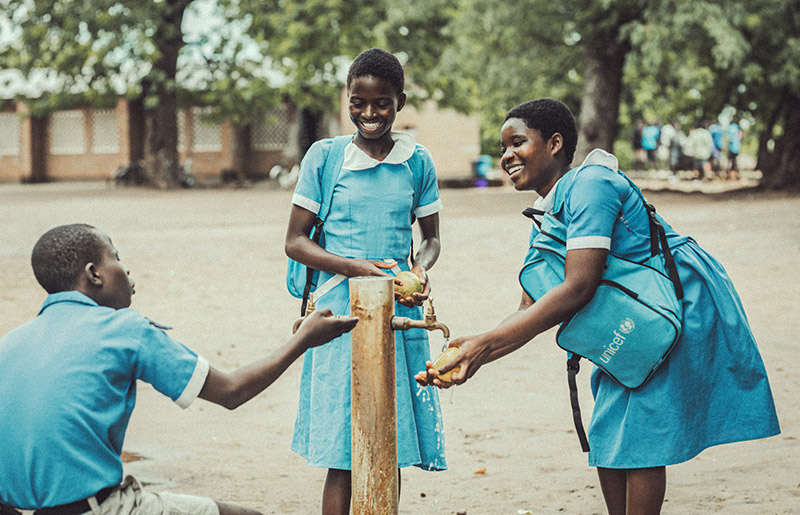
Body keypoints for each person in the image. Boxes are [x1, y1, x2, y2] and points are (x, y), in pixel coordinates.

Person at [416, 98, 780, 515]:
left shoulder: (591, 185)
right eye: (503, 148)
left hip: (664, 311)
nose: (507, 156)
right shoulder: (548, 216)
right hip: (622, 323)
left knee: (639, 434)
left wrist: (484, 346)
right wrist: (476, 350)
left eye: (518, 142)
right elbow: (528, 310)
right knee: (609, 430)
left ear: (554, 143)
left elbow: (579, 287)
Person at [0, 224, 358, 515]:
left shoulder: (10, 344)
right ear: (94, 274)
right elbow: (231, 391)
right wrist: (303, 340)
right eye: (117, 258)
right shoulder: (125, 329)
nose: (126, 269)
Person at [284, 48, 447, 514]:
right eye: (358, 102)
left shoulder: (417, 160)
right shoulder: (326, 157)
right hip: (340, 314)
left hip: (398, 309)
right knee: (345, 449)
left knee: (387, 440)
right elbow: (296, 242)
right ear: (347, 99)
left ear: (399, 101)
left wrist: (420, 269)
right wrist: (357, 267)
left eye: (382, 104)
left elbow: (431, 239)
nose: (369, 114)